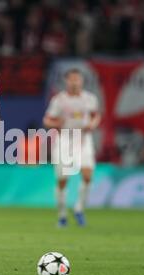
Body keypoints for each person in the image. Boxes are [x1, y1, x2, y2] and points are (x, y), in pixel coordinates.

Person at [43, 68, 101, 227]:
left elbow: (96, 115)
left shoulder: (89, 99)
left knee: (88, 176)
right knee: (63, 180)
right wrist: (56, 123)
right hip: (65, 140)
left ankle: (79, 209)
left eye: (77, 79)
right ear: (67, 81)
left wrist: (92, 124)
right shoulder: (59, 100)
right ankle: (62, 215)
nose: (75, 82)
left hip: (84, 139)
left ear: (81, 81)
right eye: (72, 79)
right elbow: (47, 120)